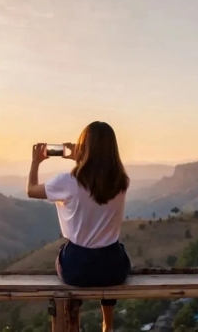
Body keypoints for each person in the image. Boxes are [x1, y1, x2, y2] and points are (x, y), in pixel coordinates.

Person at [27, 121, 131, 332]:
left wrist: (35, 162)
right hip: (113, 268)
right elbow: (95, 184)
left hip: (78, 268)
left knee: (65, 254)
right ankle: (107, 324)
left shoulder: (67, 181)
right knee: (113, 250)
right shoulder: (121, 181)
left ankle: (74, 323)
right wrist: (81, 159)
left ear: (84, 146)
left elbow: (31, 190)